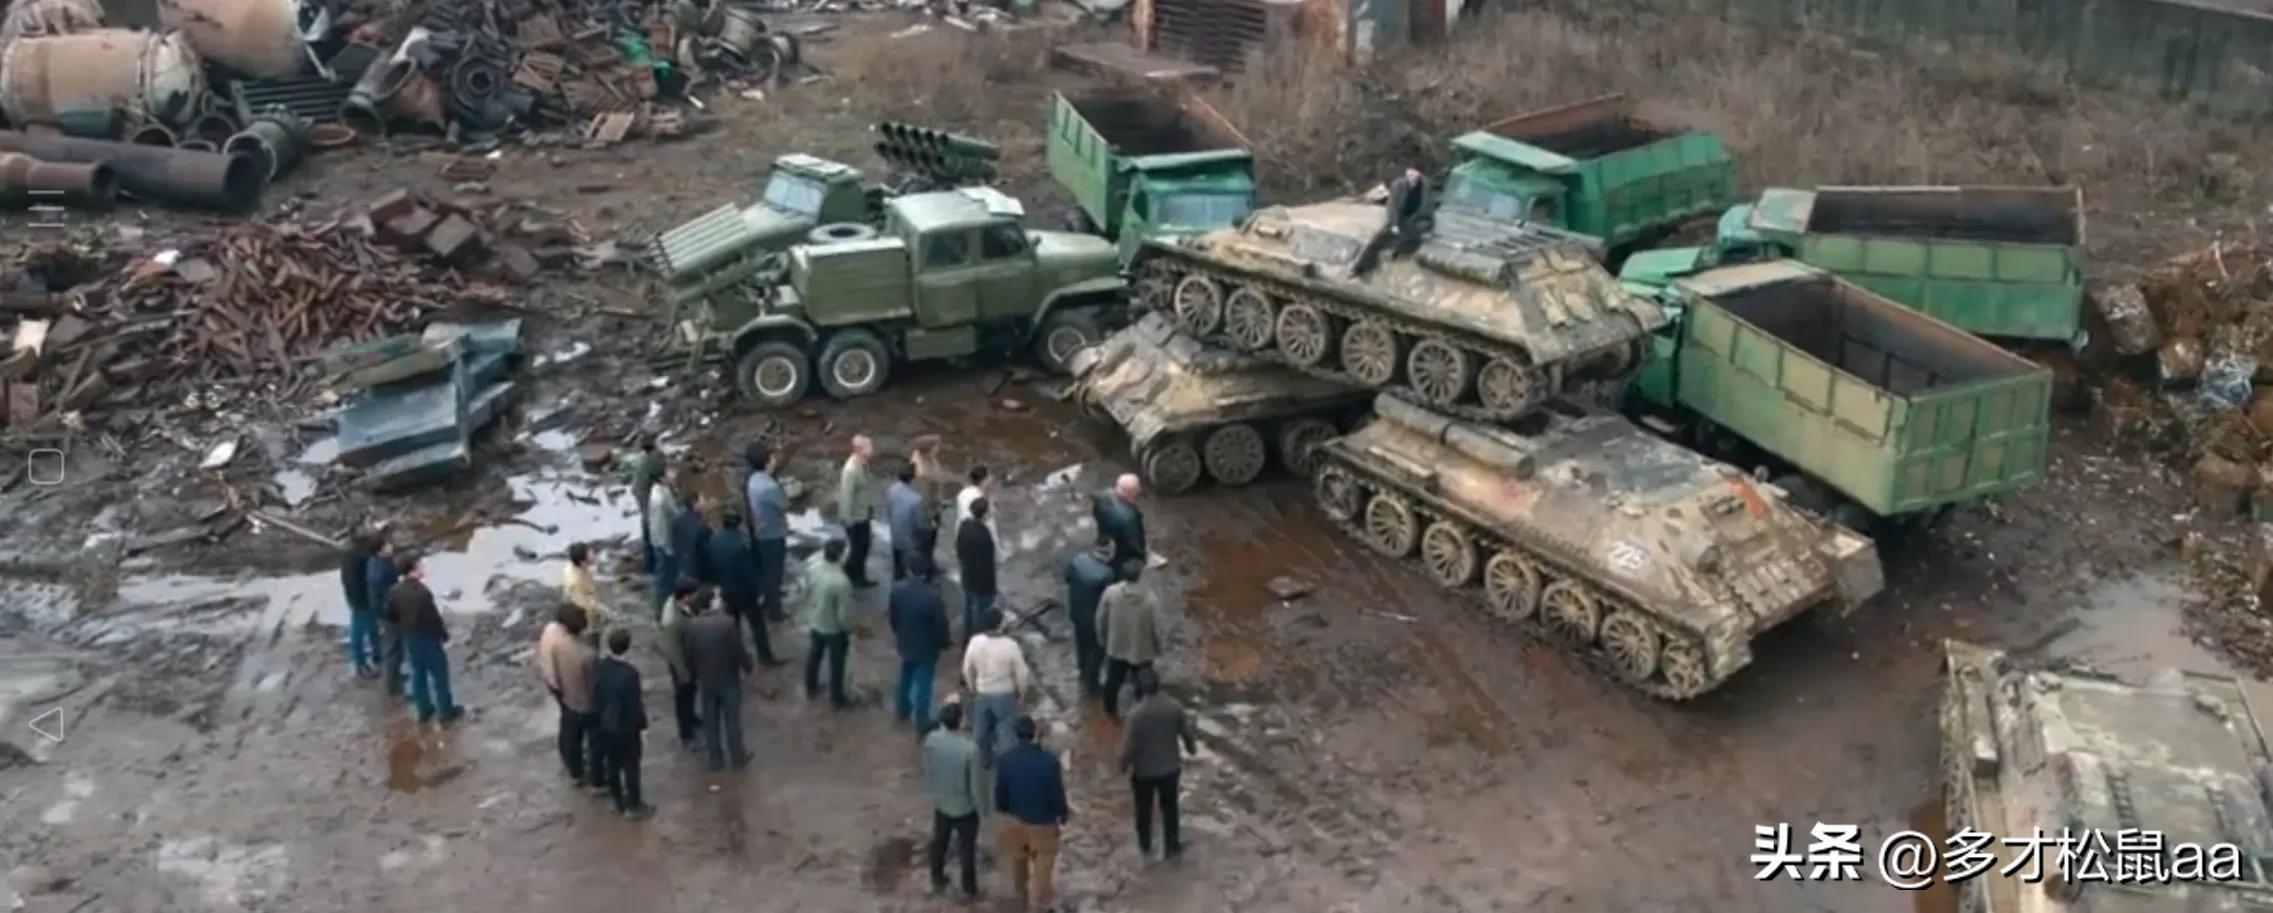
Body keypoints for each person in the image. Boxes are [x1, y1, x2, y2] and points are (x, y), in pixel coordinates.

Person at [994, 716, 1069, 913]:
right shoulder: (1050, 762)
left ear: (1015, 735)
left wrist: (1006, 812)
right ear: (1034, 734)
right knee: (1043, 870)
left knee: (1018, 868)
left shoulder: (1004, 760)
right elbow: (1057, 794)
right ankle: (1041, 906)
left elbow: (1000, 795)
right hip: (1043, 824)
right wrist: (1063, 814)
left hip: (1015, 822)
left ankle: (1021, 905)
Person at [1120, 669, 1197, 859]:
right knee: (1170, 809)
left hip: (1144, 773)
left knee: (1143, 811)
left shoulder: (1135, 714)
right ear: (1159, 685)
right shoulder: (1174, 707)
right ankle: (1172, 847)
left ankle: (1145, 847)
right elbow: (1187, 734)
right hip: (1170, 769)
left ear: (1140, 688)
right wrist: (1191, 749)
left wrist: (1122, 765)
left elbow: (1129, 747)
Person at [684, 584, 753, 770]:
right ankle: (737, 757)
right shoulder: (727, 623)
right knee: (732, 720)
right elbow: (738, 651)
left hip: (706, 680)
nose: (720, 600)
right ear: (711, 602)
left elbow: (688, 655)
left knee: (710, 721)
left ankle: (715, 758)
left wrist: (694, 674)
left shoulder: (693, 625)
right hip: (728, 679)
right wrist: (748, 667)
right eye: (717, 597)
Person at [703, 509, 783, 667]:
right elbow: (749, 572)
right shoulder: (741, 545)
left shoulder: (714, 540)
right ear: (738, 525)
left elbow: (710, 565)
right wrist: (759, 592)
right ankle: (765, 657)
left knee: (734, 626)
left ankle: (735, 658)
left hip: (726, 590)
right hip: (745, 593)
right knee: (757, 626)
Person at [389, 553, 462, 724]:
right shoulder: (422, 592)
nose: (423, 568)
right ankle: (445, 711)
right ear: (413, 569)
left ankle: (423, 710)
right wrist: (444, 635)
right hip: (428, 638)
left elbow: (390, 614)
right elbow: (433, 618)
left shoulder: (394, 591)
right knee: (439, 675)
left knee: (417, 674)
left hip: (410, 638)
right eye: (420, 565)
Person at [922, 701, 984, 899]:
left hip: (942, 802)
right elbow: (975, 785)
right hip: (964, 807)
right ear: (960, 721)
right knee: (967, 850)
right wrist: (981, 807)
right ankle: (969, 889)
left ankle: (937, 878)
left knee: (939, 842)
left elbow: (928, 769)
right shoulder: (970, 749)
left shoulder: (931, 739)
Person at [536, 605, 601, 786]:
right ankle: (595, 776)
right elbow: (592, 682)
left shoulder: (552, 634)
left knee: (569, 728)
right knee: (593, 737)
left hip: (560, 685)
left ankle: (574, 768)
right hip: (575, 693)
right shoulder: (585, 653)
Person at [592, 629, 653, 818]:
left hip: (606, 724)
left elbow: (597, 694)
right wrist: (642, 724)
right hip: (626, 727)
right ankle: (634, 804)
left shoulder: (602, 667)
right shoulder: (630, 674)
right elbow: (634, 704)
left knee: (613, 764)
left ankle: (618, 800)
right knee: (631, 766)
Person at [888, 554, 950, 733]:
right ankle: (922, 720)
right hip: (926, 647)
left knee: (905, 675)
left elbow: (893, 617)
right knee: (924, 683)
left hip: (905, 640)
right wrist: (944, 642)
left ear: (909, 571)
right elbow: (941, 625)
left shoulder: (897, 589)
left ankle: (902, 710)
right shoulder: (932, 597)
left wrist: (898, 633)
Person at [961, 610, 1030, 766]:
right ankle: (1005, 764)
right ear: (1001, 624)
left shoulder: (975, 642)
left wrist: (973, 687)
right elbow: (1022, 674)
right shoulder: (1011, 645)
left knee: (981, 731)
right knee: (1006, 732)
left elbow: (967, 668)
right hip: (1006, 694)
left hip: (982, 692)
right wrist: (1022, 693)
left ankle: (984, 760)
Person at [1096, 567, 1161, 720]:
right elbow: (1157, 629)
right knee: (1143, 682)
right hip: (1143, 649)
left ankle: (1109, 711)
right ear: (1140, 576)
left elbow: (1100, 618)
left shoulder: (1110, 592)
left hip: (1116, 646)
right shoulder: (1151, 599)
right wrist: (1159, 648)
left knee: (1113, 680)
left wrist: (1102, 639)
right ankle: (1140, 710)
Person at [802, 538, 853, 708]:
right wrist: (848, 628)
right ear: (840, 555)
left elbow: (806, 590)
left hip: (816, 620)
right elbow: (844, 615)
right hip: (834, 629)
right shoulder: (841, 582)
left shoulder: (814, 569)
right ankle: (837, 698)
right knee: (837, 663)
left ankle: (811, 687)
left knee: (814, 655)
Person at [1062, 536, 1116, 698]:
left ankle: (1082, 669)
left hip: (1076, 612)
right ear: (1108, 553)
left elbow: (1067, 578)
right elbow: (1108, 600)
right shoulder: (1106, 574)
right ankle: (1092, 684)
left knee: (1081, 643)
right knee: (1097, 651)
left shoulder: (1078, 560)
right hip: (1093, 619)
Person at [744, 443, 790, 623]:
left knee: (764, 571)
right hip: (773, 533)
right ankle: (775, 611)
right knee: (774, 573)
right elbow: (784, 504)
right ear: (766, 462)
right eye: (772, 458)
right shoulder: (770, 486)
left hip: (760, 530)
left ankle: (767, 599)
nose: (775, 460)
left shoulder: (753, 479)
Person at [658, 584, 702, 749]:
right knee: (683, 697)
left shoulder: (679, 607)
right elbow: (673, 651)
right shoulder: (673, 621)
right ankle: (686, 732)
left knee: (690, 693)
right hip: (681, 665)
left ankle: (691, 717)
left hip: (688, 661)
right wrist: (683, 673)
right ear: (685, 597)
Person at [367, 537, 407, 699]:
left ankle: (395, 677)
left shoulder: (376, 563)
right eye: (387, 545)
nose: (391, 546)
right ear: (381, 550)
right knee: (393, 648)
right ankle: (393, 686)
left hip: (382, 611)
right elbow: (389, 594)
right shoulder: (383, 571)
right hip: (389, 613)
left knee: (394, 646)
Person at [955, 497, 999, 647]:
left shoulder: (964, 526)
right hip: (982, 583)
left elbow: (959, 550)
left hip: (967, 575)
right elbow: (987, 564)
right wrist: (991, 588)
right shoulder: (984, 536)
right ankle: (977, 643)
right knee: (981, 613)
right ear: (984, 514)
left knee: (969, 607)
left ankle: (966, 636)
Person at [838, 434, 878, 588]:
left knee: (864, 547)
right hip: (855, 518)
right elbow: (846, 496)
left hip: (863, 514)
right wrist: (848, 520)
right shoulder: (851, 470)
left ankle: (858, 576)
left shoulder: (863, 464)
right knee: (857, 550)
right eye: (869, 446)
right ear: (859, 449)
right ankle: (851, 576)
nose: (872, 449)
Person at [1091, 474, 1147, 580]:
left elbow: (1095, 512)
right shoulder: (1130, 517)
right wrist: (1141, 557)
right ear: (1131, 493)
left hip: (1105, 534)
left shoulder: (1103, 495)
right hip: (1120, 552)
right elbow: (1135, 544)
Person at [340, 530, 380, 679]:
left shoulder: (349, 554)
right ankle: (360, 663)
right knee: (360, 631)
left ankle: (373, 656)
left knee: (368, 627)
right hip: (363, 599)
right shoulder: (361, 557)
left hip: (355, 598)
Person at [646, 470, 684, 616]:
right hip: (664, 540)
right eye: (669, 474)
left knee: (663, 574)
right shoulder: (662, 497)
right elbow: (675, 514)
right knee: (665, 576)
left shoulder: (656, 491)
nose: (673, 475)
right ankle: (661, 608)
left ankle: (663, 605)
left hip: (657, 537)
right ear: (662, 478)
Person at [627, 439, 665, 572]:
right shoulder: (650, 461)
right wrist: (661, 454)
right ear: (653, 449)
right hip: (644, 492)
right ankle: (651, 561)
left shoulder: (642, 458)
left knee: (646, 520)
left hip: (639, 490)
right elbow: (661, 467)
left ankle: (648, 559)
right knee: (650, 523)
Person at [887, 463, 928, 581]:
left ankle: (897, 580)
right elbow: (919, 523)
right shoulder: (916, 499)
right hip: (909, 540)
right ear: (912, 478)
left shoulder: (891, 490)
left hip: (895, 534)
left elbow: (889, 510)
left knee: (897, 565)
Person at [561, 543, 607, 639]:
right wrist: (601, 609)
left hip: (588, 596)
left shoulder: (576, 565)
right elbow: (583, 606)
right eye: (590, 554)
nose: (594, 554)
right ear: (582, 562)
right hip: (583, 618)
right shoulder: (574, 582)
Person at [955, 465, 992, 530]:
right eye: (989, 476)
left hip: (962, 530)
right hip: (975, 531)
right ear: (984, 480)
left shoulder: (963, 493)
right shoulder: (979, 498)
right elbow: (984, 519)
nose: (991, 479)